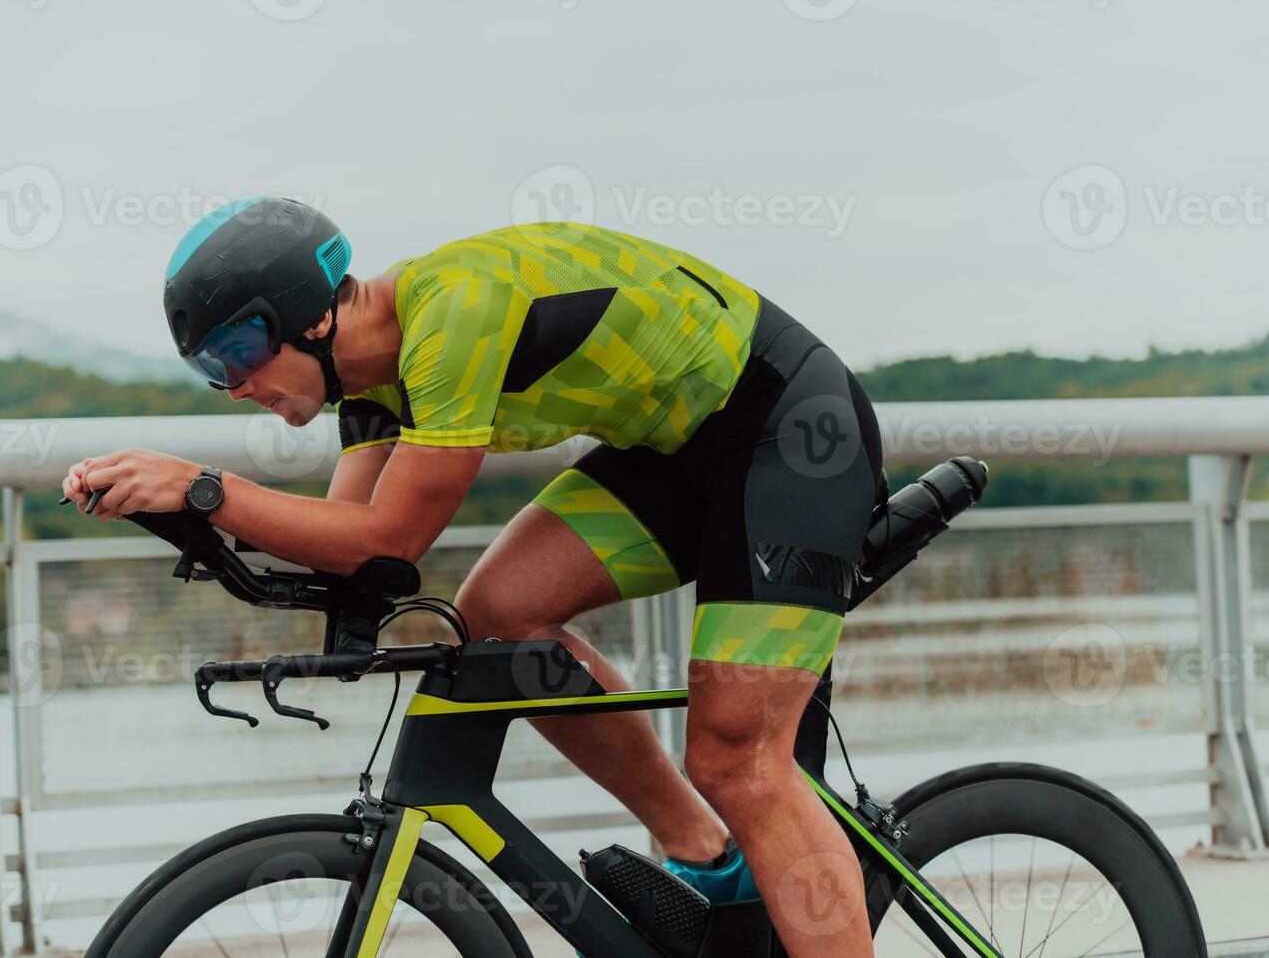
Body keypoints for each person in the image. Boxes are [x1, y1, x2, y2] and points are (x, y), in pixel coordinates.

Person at [62, 196, 887, 955]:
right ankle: (704, 854)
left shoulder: (451, 315)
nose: (233, 385)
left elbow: (388, 534)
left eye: (237, 350)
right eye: (211, 368)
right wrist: (172, 510)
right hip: (676, 452)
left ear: (311, 318)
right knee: (496, 614)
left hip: (787, 426)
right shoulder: (372, 390)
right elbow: (358, 557)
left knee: (738, 755)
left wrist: (203, 484)